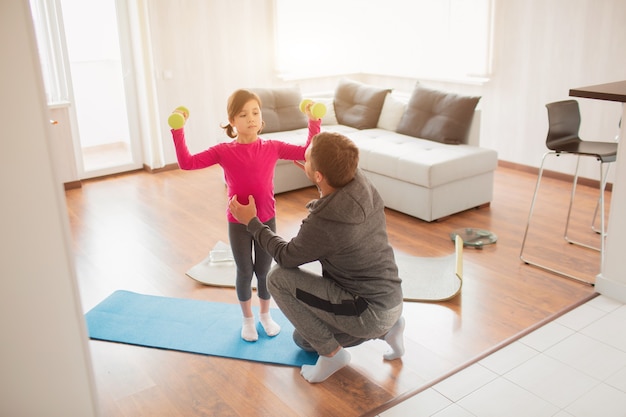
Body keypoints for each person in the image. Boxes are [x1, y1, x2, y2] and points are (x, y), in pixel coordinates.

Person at [228, 131, 405, 383]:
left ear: (320, 175)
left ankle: (333, 354)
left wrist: (252, 223)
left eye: (308, 157)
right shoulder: (361, 182)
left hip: (366, 311)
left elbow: (286, 256)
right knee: (303, 338)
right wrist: (319, 177)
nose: (304, 156)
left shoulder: (324, 222)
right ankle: (390, 328)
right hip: (392, 300)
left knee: (277, 280)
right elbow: (334, 189)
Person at [170, 89, 321, 342]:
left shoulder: (272, 147)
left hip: (266, 220)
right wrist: (178, 129)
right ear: (232, 121)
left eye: (255, 112)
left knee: (264, 271)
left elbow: (308, 151)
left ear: (261, 118)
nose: (251, 118)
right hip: (238, 223)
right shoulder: (223, 151)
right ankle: (247, 319)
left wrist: (313, 120)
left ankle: (265, 315)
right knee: (244, 271)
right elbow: (187, 162)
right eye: (243, 114)